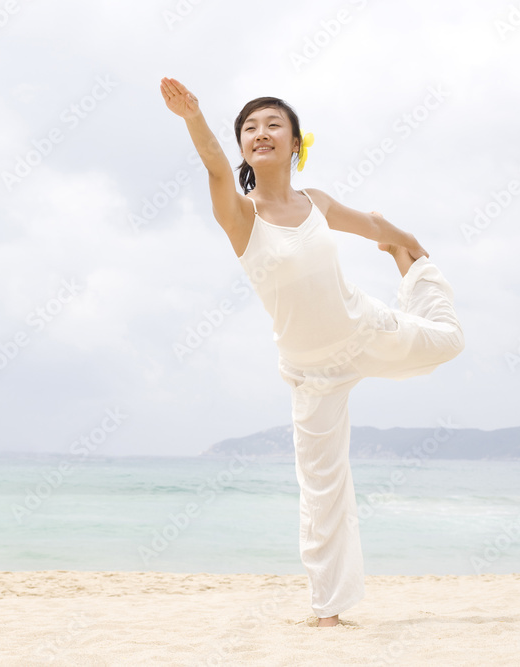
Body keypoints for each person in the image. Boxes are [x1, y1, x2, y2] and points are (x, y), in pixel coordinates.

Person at [159, 77, 465, 627]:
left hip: (366, 329)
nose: (261, 132)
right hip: (311, 372)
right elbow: (214, 168)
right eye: (250, 127)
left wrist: (405, 241)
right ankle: (329, 611)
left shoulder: (316, 202)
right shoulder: (241, 216)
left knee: (450, 342)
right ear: (244, 147)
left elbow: (368, 224)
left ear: (296, 142)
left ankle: (417, 275)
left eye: (274, 123)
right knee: (323, 489)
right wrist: (193, 118)